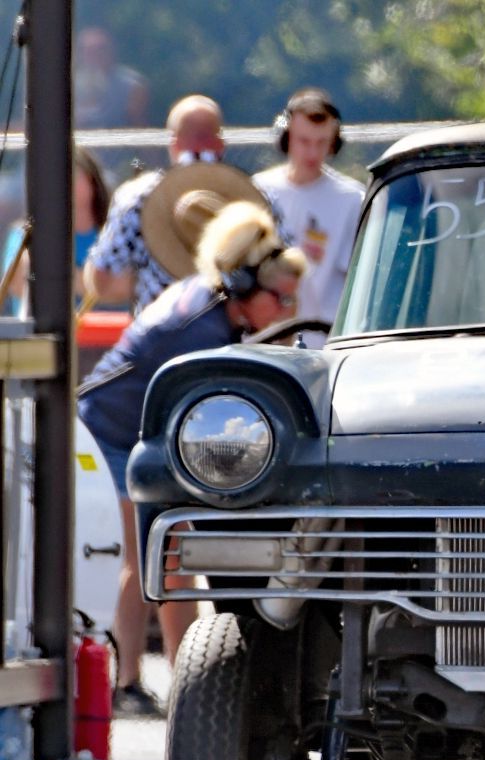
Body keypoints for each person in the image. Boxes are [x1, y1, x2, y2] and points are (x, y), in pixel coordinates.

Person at [77, 201, 306, 716]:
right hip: (113, 429)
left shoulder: (208, 300)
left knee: (168, 560)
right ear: (247, 288)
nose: (288, 310)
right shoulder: (202, 336)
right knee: (154, 561)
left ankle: (179, 682)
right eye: (282, 299)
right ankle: (141, 683)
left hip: (132, 426)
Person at [84, 95, 290, 315]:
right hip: (232, 340)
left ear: (173, 142)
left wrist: (146, 279)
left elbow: (101, 280)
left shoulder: (137, 197)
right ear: (220, 142)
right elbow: (285, 272)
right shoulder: (258, 199)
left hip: (161, 336)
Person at [254, 88, 364, 326]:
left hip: (325, 334)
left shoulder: (352, 198)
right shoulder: (260, 191)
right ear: (286, 137)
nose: (313, 153)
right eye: (304, 141)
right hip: (268, 336)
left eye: (322, 142)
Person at [2, 145, 110, 316]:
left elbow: (121, 285)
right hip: (41, 336)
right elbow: (17, 285)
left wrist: (56, 278)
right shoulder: (24, 234)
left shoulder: (111, 235)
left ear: (91, 180)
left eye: (71, 173)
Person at [73, 26, 150, 130]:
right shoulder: (70, 84)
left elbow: (139, 127)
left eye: (100, 49)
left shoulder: (133, 87)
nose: (95, 56)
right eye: (88, 51)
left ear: (111, 50)